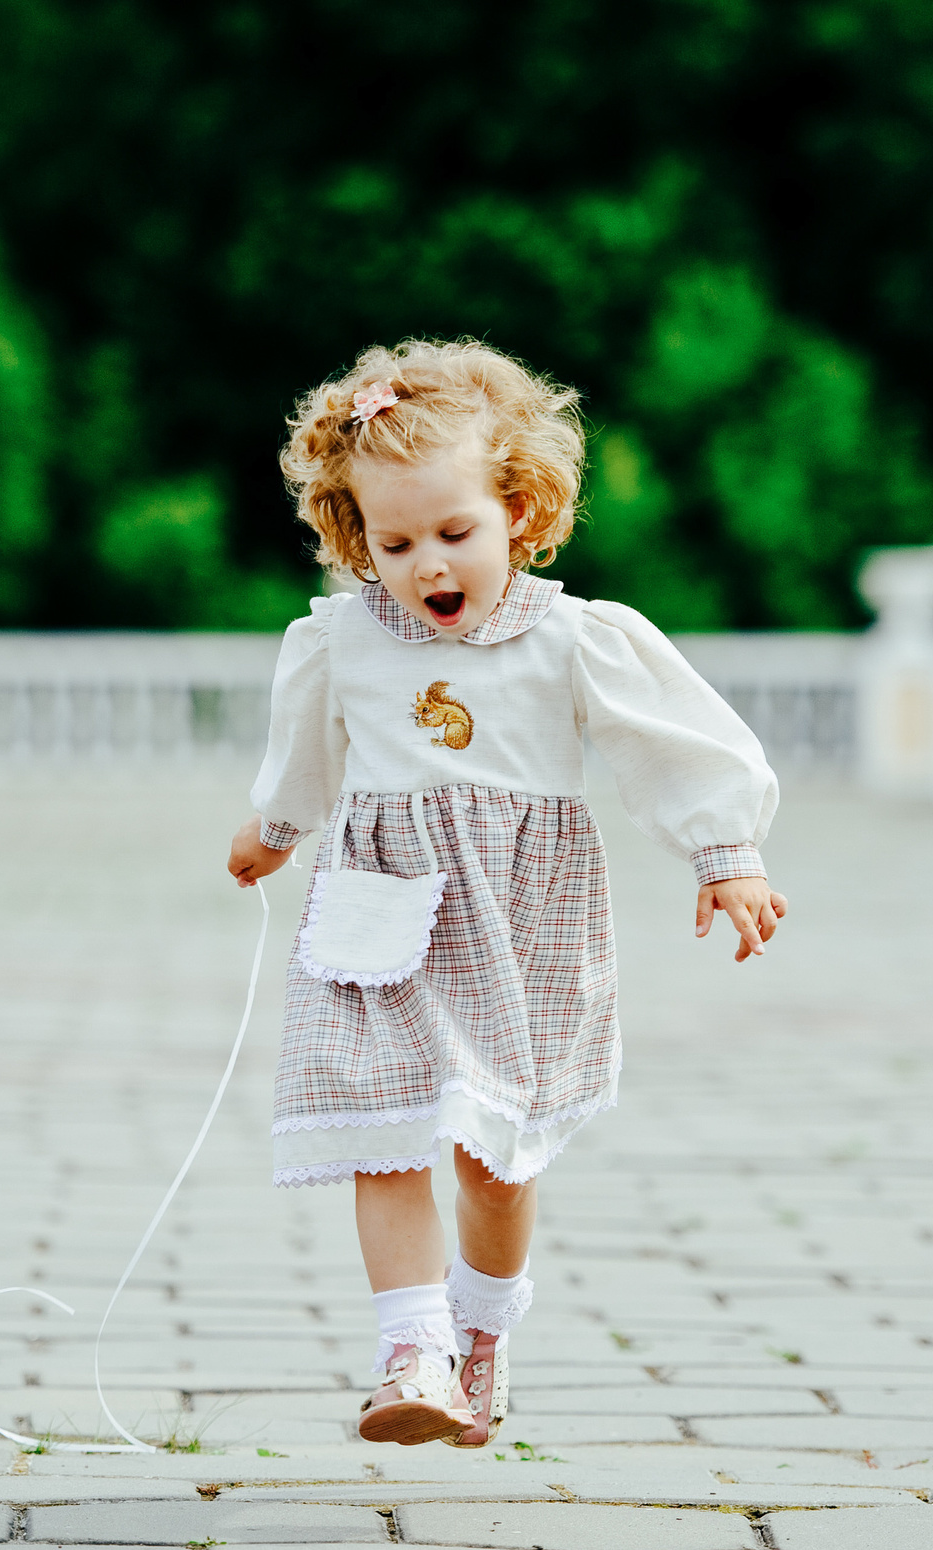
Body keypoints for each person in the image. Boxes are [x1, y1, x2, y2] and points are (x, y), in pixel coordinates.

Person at [225, 339, 784, 1448]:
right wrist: (274, 829)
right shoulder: (339, 641)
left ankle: (480, 1329)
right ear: (355, 535)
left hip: (521, 921)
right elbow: (305, 754)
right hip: (381, 912)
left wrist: (727, 854)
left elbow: (670, 742)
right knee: (378, 1128)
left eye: (453, 533)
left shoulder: (571, 638)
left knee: (492, 1160)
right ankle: (410, 1349)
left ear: (518, 509)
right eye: (393, 542)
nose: (427, 564)